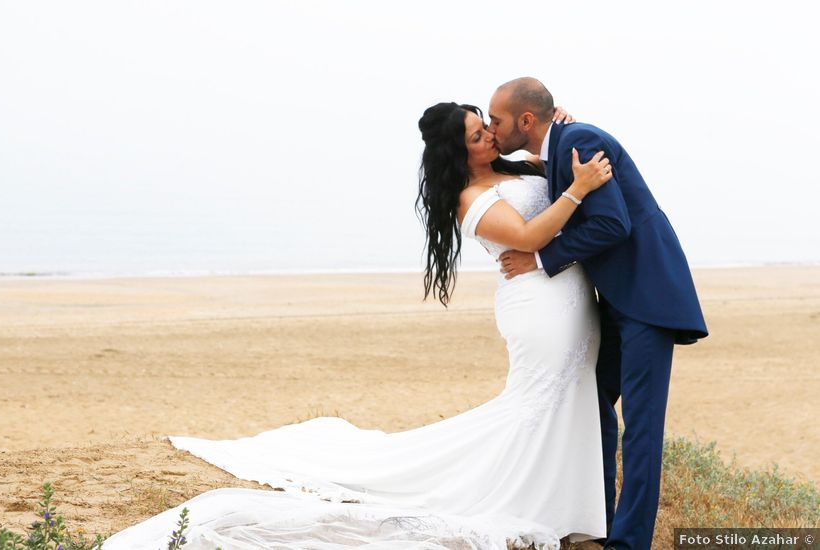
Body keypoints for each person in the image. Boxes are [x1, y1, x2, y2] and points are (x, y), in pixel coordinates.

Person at [103, 102, 613, 550]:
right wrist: (580, 188)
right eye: (478, 136)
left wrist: (557, 125)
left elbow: (551, 161)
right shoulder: (470, 197)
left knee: (569, 399)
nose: (490, 136)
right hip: (537, 310)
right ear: (458, 155)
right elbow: (527, 234)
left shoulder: (519, 166)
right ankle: (541, 504)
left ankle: (572, 510)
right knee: (534, 403)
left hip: (570, 299)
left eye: (486, 126)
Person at [490, 78, 709, 550]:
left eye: (496, 120)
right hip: (615, 298)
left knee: (643, 429)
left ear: (526, 120)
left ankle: (628, 543)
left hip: (646, 296)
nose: (492, 127)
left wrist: (540, 258)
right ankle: (600, 522)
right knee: (593, 406)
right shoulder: (561, 145)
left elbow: (613, 222)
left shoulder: (580, 139)